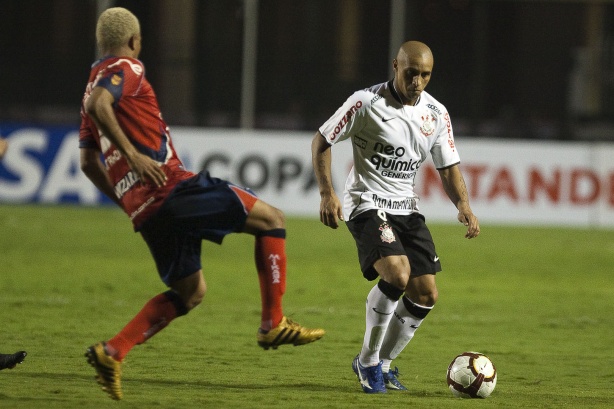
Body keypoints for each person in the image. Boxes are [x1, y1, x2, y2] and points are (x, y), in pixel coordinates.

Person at [80, 7, 324, 400]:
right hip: (170, 186)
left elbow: (89, 163)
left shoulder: (89, 86)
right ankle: (272, 323)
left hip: (146, 209)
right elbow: (100, 108)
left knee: (190, 291)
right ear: (134, 42)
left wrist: (127, 204)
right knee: (271, 219)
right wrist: (136, 156)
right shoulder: (129, 67)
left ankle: (113, 352)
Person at [312, 40, 479, 394]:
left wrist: (463, 205)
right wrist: (328, 192)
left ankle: (383, 364)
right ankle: (368, 361)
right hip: (366, 202)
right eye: (411, 73)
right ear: (395, 66)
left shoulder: (437, 113)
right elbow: (322, 140)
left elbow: (448, 167)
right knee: (397, 273)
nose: (417, 81)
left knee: (425, 294)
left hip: (407, 208)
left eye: (425, 75)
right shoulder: (365, 103)